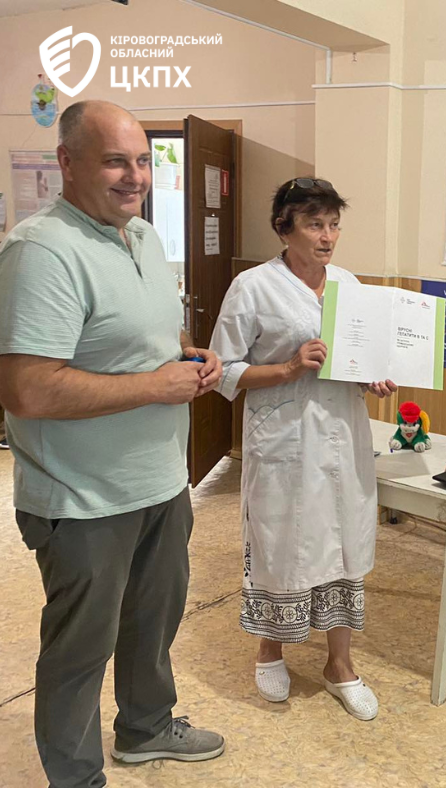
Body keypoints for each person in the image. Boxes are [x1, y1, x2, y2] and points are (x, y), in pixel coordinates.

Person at [0, 100, 225, 788]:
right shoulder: (41, 251)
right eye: (115, 161)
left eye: (143, 161)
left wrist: (187, 356)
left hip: (160, 482)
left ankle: (146, 728)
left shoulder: (144, 237)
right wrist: (154, 386)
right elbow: (28, 390)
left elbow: (137, 338)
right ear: (66, 163)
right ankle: (76, 778)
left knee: (152, 625)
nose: (135, 177)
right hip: (83, 499)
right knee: (80, 651)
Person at [210, 177, 395, 720]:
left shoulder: (348, 285)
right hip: (284, 439)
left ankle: (340, 664)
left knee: (343, 539)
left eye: (334, 224)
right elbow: (224, 371)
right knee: (281, 541)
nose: (327, 236)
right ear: (284, 228)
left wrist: (372, 377)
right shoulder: (252, 287)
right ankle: (270, 648)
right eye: (315, 225)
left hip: (342, 432)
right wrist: (289, 367)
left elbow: (359, 358)